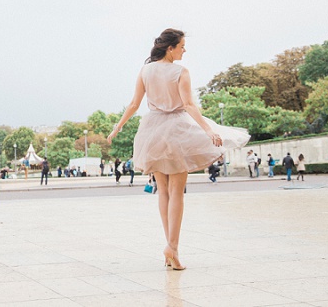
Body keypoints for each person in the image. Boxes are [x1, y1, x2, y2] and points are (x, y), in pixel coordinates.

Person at [106, 28, 249, 270]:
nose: (185, 50)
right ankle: (172, 248)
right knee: (177, 191)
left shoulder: (145, 70)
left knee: (163, 191)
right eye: (182, 46)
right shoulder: (180, 72)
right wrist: (208, 130)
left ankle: (170, 247)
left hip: (152, 130)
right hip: (177, 130)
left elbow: (133, 104)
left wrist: (117, 127)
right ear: (170, 48)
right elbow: (189, 105)